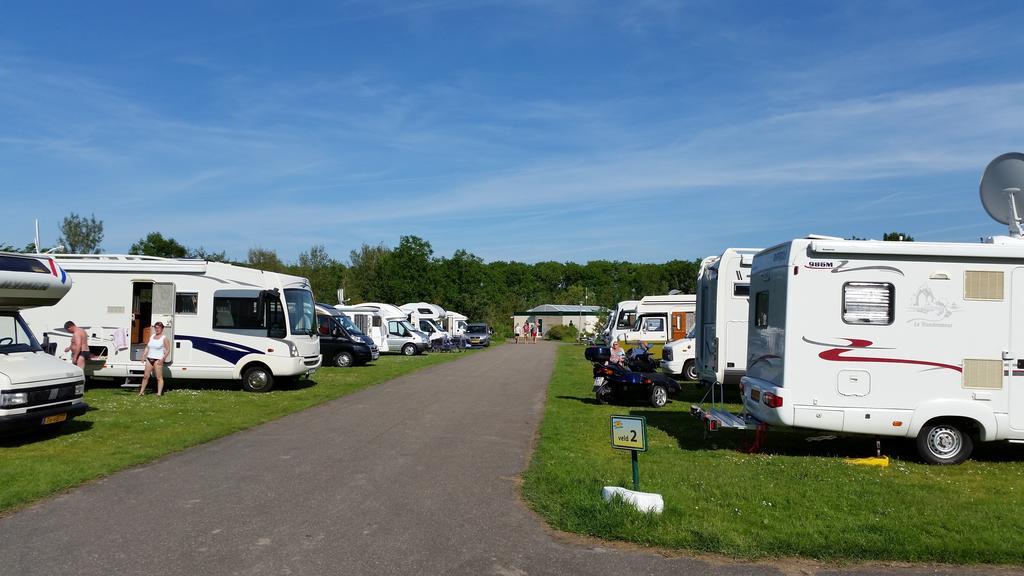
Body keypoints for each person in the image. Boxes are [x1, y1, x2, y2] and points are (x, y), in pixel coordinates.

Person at [139, 321, 170, 396]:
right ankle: (141, 392)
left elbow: (168, 349)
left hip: (158, 359)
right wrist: (143, 356)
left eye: (159, 328)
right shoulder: (152, 336)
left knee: (159, 377)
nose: (157, 329)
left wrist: (163, 359)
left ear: (162, 329)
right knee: (145, 376)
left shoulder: (164, 338)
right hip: (149, 358)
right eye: (156, 328)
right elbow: (147, 347)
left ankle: (159, 393)